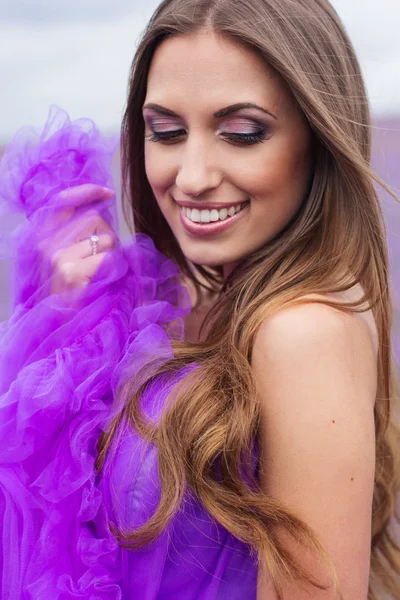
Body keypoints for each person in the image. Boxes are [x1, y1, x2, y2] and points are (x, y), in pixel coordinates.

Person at [0, 0, 399, 598]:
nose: (191, 176)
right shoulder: (196, 306)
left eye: (242, 134)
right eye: (166, 131)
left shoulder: (303, 331)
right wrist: (71, 315)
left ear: (318, 139)